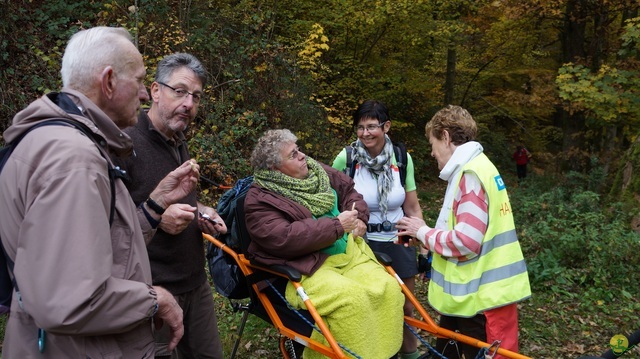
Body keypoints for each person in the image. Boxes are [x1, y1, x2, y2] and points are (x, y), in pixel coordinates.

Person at [0, 27, 199, 358]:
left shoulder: (45, 140)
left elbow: (89, 246)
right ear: (108, 82)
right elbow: (68, 300)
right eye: (138, 81)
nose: (145, 95)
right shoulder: (75, 160)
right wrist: (155, 299)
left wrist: (155, 205)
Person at [244, 129, 404, 359]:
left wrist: (360, 218)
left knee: (388, 288)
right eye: (292, 155)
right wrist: (336, 226)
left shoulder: (317, 171)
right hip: (309, 266)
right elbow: (283, 237)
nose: (302, 156)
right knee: (352, 300)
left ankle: (386, 353)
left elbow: (349, 191)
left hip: (348, 253)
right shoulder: (260, 199)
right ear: (275, 169)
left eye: (298, 149)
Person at [396, 105, 531, 359]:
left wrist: (423, 231)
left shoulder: (470, 175)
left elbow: (466, 240)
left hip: (479, 305)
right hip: (476, 301)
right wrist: (423, 236)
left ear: (445, 137)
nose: (432, 151)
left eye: (433, 142)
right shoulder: (478, 167)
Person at [113, 53, 225, 359]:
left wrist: (201, 211)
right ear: (155, 90)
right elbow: (108, 225)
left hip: (195, 283)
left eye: (196, 97)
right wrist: (157, 217)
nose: (188, 104)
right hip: (153, 290)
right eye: (179, 91)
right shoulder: (124, 142)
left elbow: (177, 196)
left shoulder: (178, 138)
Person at [331, 100, 427, 359]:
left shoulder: (401, 158)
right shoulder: (347, 158)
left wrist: (424, 238)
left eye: (371, 127)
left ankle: (409, 353)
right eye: (360, 128)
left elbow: (412, 206)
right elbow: (329, 198)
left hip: (398, 238)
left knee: (406, 304)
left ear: (386, 127)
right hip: (361, 243)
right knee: (370, 302)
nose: (365, 134)